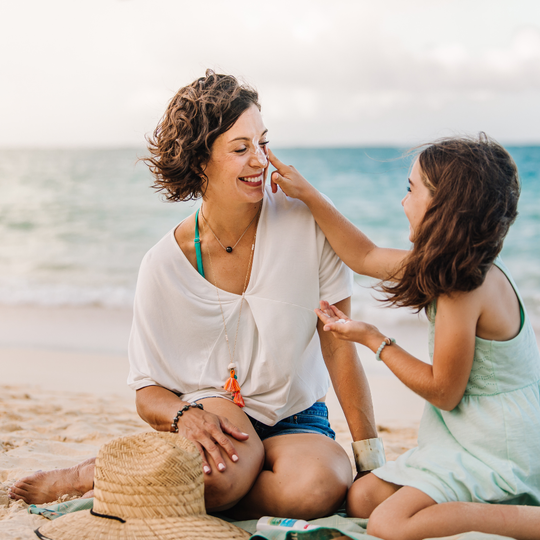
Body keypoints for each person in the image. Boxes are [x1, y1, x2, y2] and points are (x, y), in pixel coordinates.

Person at [9, 71, 381, 520]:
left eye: (262, 143)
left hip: (298, 419)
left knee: (318, 489)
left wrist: (370, 462)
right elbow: (148, 391)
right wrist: (185, 417)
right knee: (220, 479)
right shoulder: (164, 264)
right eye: (240, 149)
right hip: (218, 410)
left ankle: (156, 476)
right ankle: (96, 473)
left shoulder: (308, 224)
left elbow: (339, 348)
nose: (260, 161)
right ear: (200, 161)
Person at [269, 136, 540, 540]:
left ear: (443, 208)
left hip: (494, 445)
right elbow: (363, 256)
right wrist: (308, 195)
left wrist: (374, 339)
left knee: (387, 523)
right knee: (362, 499)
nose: (402, 201)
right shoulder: (453, 263)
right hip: (470, 432)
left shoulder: (463, 287)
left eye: (411, 189)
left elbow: (444, 392)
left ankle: (522, 520)